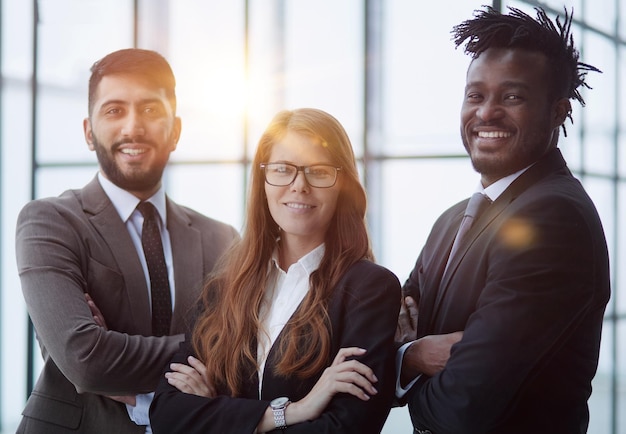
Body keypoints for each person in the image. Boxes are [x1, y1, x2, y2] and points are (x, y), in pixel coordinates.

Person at [396, 6, 610, 434]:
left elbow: (463, 407)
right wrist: (414, 356)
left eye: (512, 97)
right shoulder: (451, 221)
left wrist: (400, 361)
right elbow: (382, 331)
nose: (486, 113)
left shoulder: (553, 218)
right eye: (476, 95)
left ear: (559, 112)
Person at [15, 48, 239, 433]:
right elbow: (85, 359)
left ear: (176, 130)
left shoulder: (222, 240)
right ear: (89, 131)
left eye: (150, 110)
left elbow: (244, 357)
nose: (133, 128)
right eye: (114, 110)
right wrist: (208, 349)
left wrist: (113, 348)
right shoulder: (49, 222)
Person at [149, 108, 401, 433]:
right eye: (283, 169)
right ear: (263, 180)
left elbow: (345, 428)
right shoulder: (223, 289)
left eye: (319, 171)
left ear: (343, 185)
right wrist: (292, 412)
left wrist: (216, 413)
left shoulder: (370, 290)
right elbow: (167, 414)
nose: (299, 185)